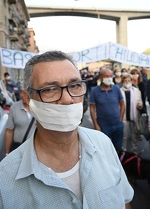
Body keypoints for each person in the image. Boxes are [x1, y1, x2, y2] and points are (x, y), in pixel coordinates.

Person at [0, 50, 133, 209]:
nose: (68, 99)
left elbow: (124, 202)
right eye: (50, 89)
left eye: (75, 85)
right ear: (28, 98)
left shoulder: (103, 143)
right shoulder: (5, 179)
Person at [90, 68, 125, 152]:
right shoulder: (94, 91)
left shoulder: (116, 89)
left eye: (110, 76)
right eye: (106, 76)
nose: (109, 78)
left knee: (118, 149)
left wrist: (120, 119)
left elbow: (122, 104)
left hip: (117, 125)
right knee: (104, 149)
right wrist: (96, 125)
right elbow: (92, 108)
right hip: (103, 126)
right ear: (101, 78)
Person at [5, 87, 36, 155]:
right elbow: (9, 131)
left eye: (24, 92)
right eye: (21, 92)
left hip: (34, 151)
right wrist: (7, 153)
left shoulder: (39, 108)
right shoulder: (14, 108)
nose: (21, 95)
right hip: (18, 149)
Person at [120, 74, 143, 154]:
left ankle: (134, 151)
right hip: (123, 117)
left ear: (131, 81)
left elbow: (140, 101)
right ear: (122, 81)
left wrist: (140, 105)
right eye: (125, 81)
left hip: (134, 116)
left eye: (129, 81)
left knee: (134, 135)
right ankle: (123, 151)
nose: (127, 82)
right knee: (124, 136)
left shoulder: (136, 91)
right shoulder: (119, 91)